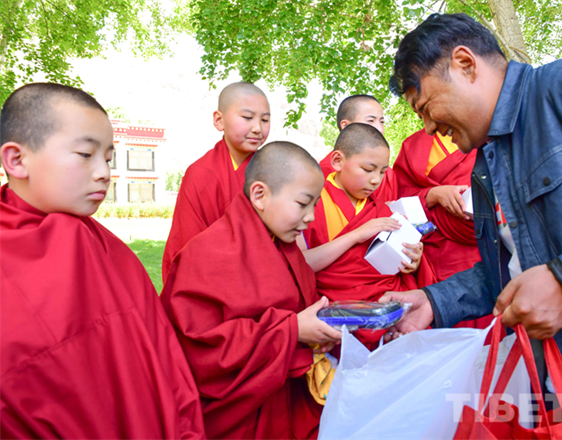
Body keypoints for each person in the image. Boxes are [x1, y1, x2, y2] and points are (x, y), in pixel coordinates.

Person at [382, 13, 562, 439]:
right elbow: (515, 266)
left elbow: (554, 275)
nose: (429, 126)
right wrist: (434, 302)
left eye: (425, 106)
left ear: (465, 64)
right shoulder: (486, 168)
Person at [0, 83, 205, 438]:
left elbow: (162, 359)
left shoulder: (107, 249)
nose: (103, 173)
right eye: (85, 155)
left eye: (108, 158)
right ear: (17, 160)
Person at [161, 142, 343, 439]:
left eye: (315, 206)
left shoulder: (282, 245)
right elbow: (198, 348)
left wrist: (315, 334)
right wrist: (292, 331)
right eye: (302, 204)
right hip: (238, 414)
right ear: (259, 195)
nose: (310, 217)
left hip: (284, 399)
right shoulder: (206, 254)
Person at [299, 123, 434, 347]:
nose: (376, 180)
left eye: (382, 172)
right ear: (337, 161)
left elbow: (403, 272)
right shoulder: (310, 202)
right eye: (368, 169)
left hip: (389, 313)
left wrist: (413, 260)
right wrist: (356, 235)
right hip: (339, 315)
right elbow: (302, 265)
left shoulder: (382, 210)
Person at [162, 82, 270, 282]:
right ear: (219, 120)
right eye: (247, 117)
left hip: (263, 277)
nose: (257, 128)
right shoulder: (200, 174)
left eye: (265, 120)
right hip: (211, 279)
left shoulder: (273, 171)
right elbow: (187, 245)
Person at [393, 129, 490, 329]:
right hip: (433, 253)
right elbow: (399, 197)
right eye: (418, 110)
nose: (428, 120)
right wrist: (433, 194)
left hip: (479, 250)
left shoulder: (483, 134)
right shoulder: (414, 145)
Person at [318, 95, 398, 201]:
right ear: (346, 125)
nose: (380, 129)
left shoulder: (387, 174)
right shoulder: (324, 171)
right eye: (370, 121)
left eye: (382, 122)